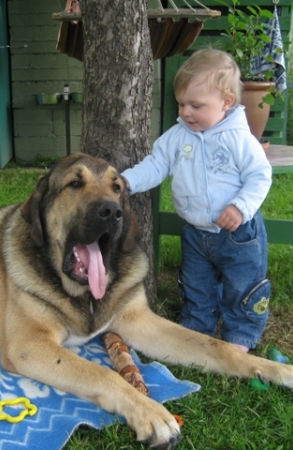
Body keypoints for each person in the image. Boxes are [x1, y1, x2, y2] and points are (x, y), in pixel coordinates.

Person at [121, 48, 272, 353]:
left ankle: (240, 336)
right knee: (195, 283)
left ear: (226, 102)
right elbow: (156, 164)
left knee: (241, 285)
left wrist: (240, 207)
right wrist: (127, 181)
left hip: (238, 234)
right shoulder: (177, 137)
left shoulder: (239, 139)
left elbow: (260, 175)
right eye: (181, 104)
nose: (185, 112)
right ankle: (197, 326)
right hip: (196, 232)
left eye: (196, 105)